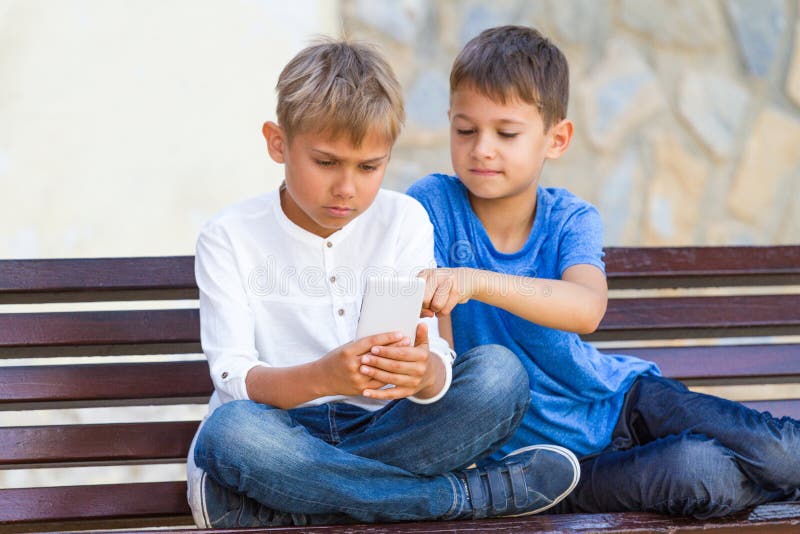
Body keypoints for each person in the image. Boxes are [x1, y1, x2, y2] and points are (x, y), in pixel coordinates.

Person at [407, 25, 800, 519]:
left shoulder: (571, 217)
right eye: (465, 130)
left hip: (623, 400)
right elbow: (444, 371)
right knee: (701, 471)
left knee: (782, 451)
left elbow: (586, 308)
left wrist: (475, 281)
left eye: (506, 133)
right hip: (557, 468)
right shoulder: (431, 206)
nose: (482, 148)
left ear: (557, 139)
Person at [185, 38, 579, 529]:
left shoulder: (404, 218)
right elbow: (234, 379)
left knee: (500, 378)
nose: (347, 187)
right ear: (277, 142)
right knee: (228, 434)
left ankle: (298, 505)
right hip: (279, 430)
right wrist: (325, 378)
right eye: (326, 163)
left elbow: (436, 355)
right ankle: (455, 499)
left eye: (369, 167)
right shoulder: (229, 236)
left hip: (388, 427)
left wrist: (425, 376)